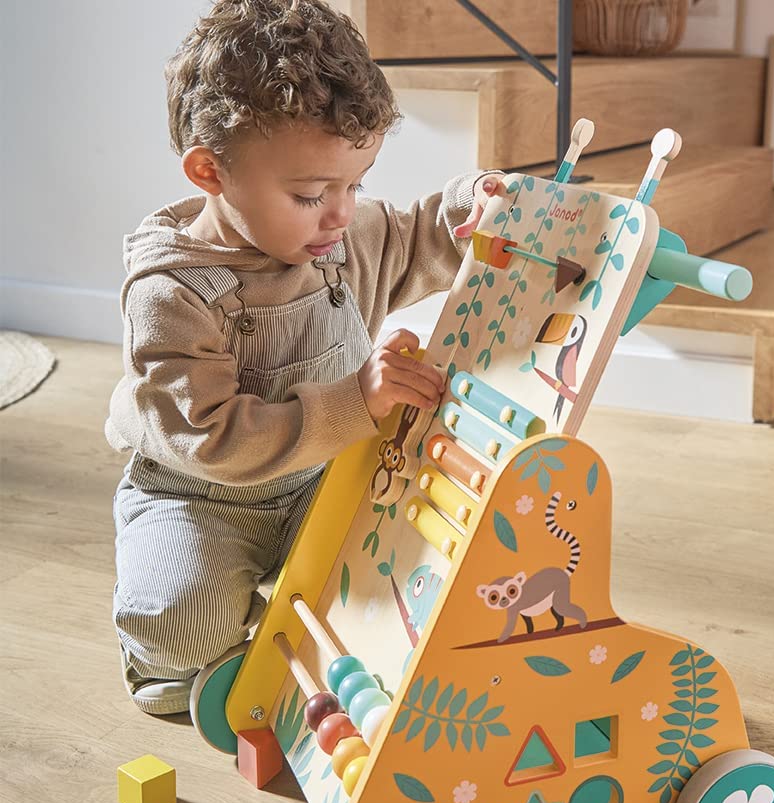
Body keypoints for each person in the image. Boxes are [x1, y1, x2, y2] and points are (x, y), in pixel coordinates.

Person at [106, 0, 501, 714]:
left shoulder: (336, 237)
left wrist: (471, 204)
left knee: (410, 566)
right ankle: (176, 638)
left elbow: (418, 237)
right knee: (180, 631)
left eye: (357, 184)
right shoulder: (171, 291)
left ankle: (292, 611)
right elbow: (211, 437)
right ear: (209, 171)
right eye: (313, 193)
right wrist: (357, 400)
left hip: (324, 479)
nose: (342, 213)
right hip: (202, 496)